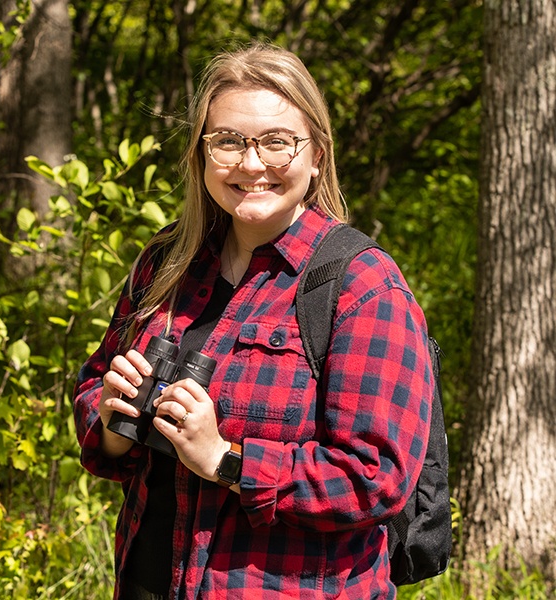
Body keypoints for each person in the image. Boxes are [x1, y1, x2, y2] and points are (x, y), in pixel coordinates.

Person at [73, 42, 434, 600]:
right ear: (200, 153)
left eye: (277, 142)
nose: (251, 163)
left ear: (316, 154)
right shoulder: (169, 261)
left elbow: (377, 477)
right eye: (228, 141)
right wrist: (112, 419)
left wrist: (226, 460)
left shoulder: (362, 286)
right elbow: (96, 381)